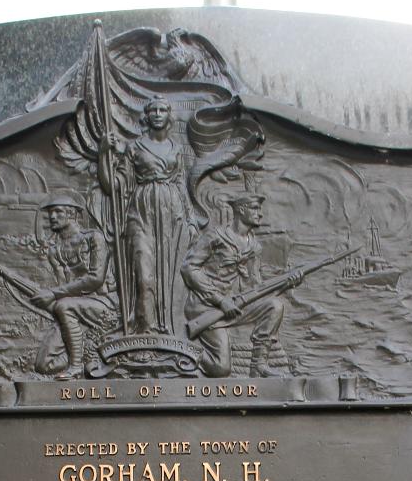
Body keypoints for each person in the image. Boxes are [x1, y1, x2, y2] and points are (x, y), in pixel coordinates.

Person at [182, 191, 301, 378]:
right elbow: (189, 268)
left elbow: (255, 287)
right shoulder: (215, 236)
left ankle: (258, 366)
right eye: (255, 208)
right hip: (206, 308)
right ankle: (184, 352)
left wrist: (286, 285)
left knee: (274, 306)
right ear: (241, 210)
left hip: (235, 305)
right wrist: (220, 300)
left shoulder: (254, 246)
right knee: (221, 369)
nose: (260, 213)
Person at [102, 98, 192, 335]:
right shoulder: (135, 148)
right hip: (141, 212)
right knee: (144, 271)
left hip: (172, 213)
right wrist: (103, 154)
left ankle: (168, 329)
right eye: (153, 110)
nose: (158, 114)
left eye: (163, 109)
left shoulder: (177, 148)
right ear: (147, 116)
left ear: (169, 115)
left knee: (168, 274)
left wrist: (189, 220)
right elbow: (113, 185)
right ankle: (144, 328)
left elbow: (182, 184)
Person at [32, 192, 117, 379]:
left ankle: (76, 365)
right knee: (43, 365)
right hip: (75, 309)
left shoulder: (94, 238)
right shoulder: (55, 251)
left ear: (72, 214)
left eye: (58, 212)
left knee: (64, 305)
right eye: (50, 214)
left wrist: (53, 294)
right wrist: (45, 299)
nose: (52, 217)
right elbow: (63, 289)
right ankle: (88, 352)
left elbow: (96, 278)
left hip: (105, 303)